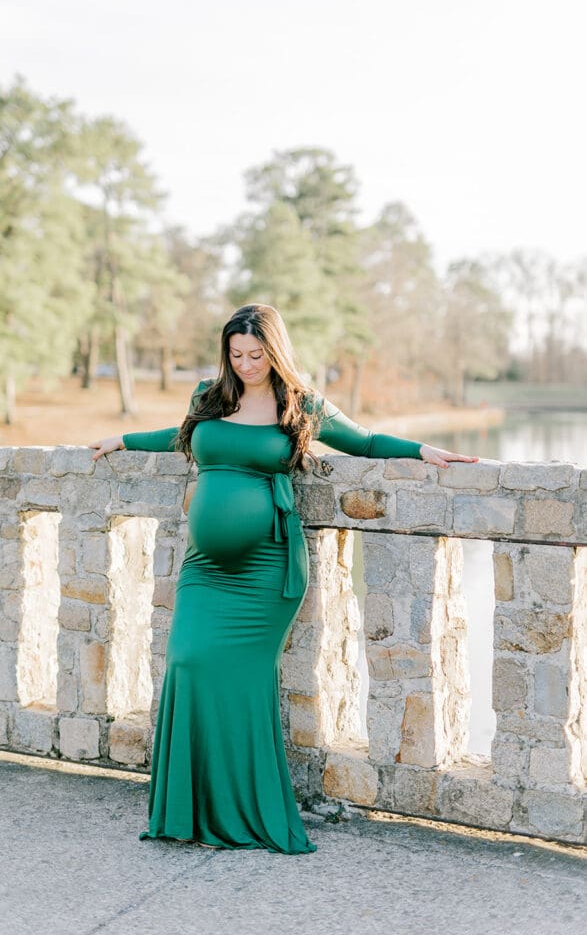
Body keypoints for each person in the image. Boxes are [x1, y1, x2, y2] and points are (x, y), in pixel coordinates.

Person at [89, 304, 478, 854]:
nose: (246, 364)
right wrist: (124, 439)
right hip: (205, 568)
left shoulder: (301, 403)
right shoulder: (209, 395)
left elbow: (362, 442)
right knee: (186, 661)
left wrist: (422, 450)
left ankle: (242, 810)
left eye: (256, 354)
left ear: (276, 352)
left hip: (265, 568)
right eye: (236, 354)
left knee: (243, 684)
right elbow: (180, 437)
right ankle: (190, 808)